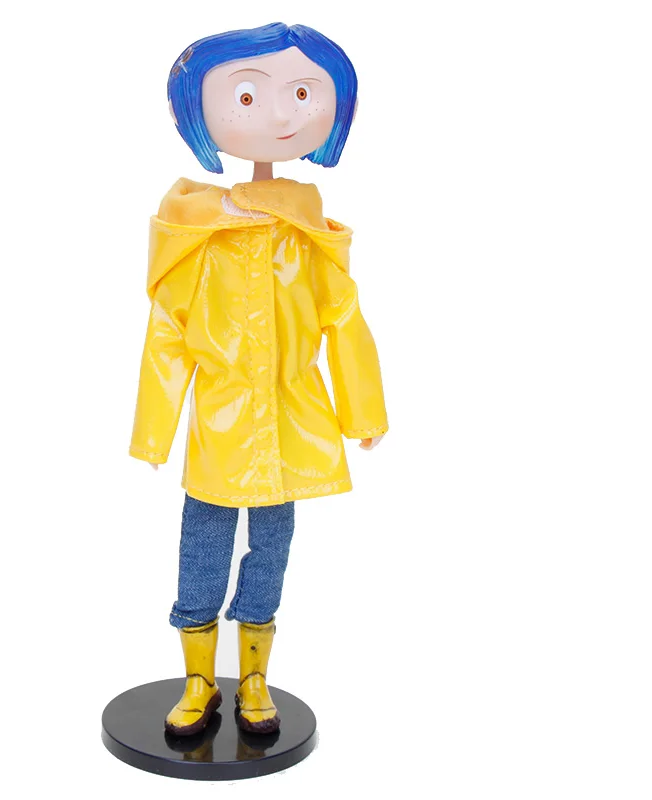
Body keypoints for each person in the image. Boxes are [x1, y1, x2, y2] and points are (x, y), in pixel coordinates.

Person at [129, 22, 388, 735]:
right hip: (220, 420)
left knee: (272, 547)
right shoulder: (199, 233)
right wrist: (154, 431)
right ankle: (197, 676)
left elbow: (344, 318)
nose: (278, 115)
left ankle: (253, 677)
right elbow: (168, 334)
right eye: (248, 96)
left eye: (302, 94)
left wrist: (362, 412)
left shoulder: (310, 235)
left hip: (293, 416)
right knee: (203, 544)